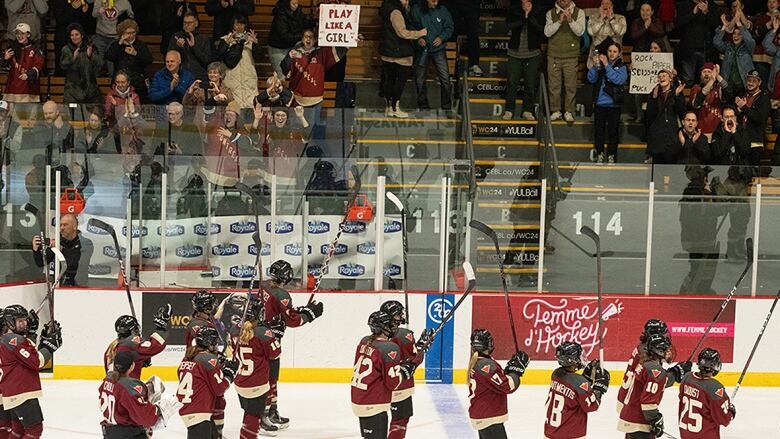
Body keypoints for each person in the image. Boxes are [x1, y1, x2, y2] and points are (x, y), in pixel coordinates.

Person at [262, 260, 323, 428]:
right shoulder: (281, 294)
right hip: (270, 340)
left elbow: (281, 312)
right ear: (286, 276)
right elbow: (293, 321)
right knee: (270, 378)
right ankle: (264, 415)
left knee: (271, 378)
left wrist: (302, 310)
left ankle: (272, 411)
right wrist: (309, 315)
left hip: (263, 336)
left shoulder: (264, 285)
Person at [351, 310, 416, 439]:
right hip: (374, 404)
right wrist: (405, 370)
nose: (393, 327)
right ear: (383, 328)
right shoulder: (389, 348)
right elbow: (393, 383)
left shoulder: (364, 341)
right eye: (390, 325)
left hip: (359, 399)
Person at [0, 305, 62, 439]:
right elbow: (36, 362)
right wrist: (50, 347)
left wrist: (44, 341)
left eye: (24, 320)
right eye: (19, 321)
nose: (24, 324)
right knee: (34, 430)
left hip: (11, 393)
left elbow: (28, 356)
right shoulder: (13, 340)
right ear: (10, 322)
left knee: (17, 430)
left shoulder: (9, 339)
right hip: (22, 393)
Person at [617, 333, 691, 438]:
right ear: (659, 351)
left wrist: (675, 373)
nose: (669, 352)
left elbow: (657, 381)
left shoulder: (645, 363)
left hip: (631, 418)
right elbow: (648, 402)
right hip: (639, 421)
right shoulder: (655, 369)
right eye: (666, 349)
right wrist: (654, 419)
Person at [281, 28, 348, 141]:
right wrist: (289, 57)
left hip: (315, 101)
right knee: (295, 130)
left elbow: (337, 52)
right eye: (306, 36)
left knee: (312, 131)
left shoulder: (321, 54)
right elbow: (285, 71)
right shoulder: (294, 52)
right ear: (302, 39)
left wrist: (349, 42)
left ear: (315, 39)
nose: (308, 39)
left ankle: (311, 153)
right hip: (297, 100)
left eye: (311, 37)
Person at [378, 301, 432, 439]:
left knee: (380, 424)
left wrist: (419, 345)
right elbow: (414, 360)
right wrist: (422, 347)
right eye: (398, 314)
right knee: (400, 420)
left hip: (382, 385)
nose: (401, 316)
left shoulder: (377, 333)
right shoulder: (404, 334)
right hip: (400, 385)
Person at [99, 350, 179, 438]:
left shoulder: (107, 381)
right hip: (127, 435)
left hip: (109, 433)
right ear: (132, 366)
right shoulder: (128, 388)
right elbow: (146, 418)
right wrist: (159, 409)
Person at [176, 326, 239, 438]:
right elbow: (219, 389)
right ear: (210, 344)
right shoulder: (208, 359)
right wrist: (229, 373)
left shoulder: (187, 358)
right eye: (215, 343)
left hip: (190, 409)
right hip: (199, 412)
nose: (216, 346)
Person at [232, 296, 281, 437]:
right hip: (257, 385)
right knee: (253, 418)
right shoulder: (263, 333)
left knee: (248, 414)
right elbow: (275, 354)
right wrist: (275, 335)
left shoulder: (234, 330)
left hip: (240, 383)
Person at [467, 329, 529, 438]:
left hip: (483, 416)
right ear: (489, 344)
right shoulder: (485, 365)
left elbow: (496, 382)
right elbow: (507, 386)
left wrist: (509, 370)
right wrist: (516, 371)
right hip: (488, 418)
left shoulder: (480, 361)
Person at [544, 341, 609, 438]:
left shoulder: (556, 374)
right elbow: (592, 406)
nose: (581, 358)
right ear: (572, 360)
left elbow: (574, 386)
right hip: (570, 435)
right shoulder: (580, 383)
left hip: (550, 434)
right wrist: (599, 388)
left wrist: (586, 378)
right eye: (579, 356)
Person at [379, 0, 427, 118]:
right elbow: (402, 33)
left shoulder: (386, 8)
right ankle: (395, 107)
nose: (407, 1)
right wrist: (420, 33)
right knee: (400, 81)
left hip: (387, 51)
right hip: (399, 52)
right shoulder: (396, 12)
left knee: (389, 80)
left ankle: (389, 108)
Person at [678, 348, 736, 438]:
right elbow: (724, 420)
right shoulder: (715, 388)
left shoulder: (687, 377)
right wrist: (731, 413)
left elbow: (681, 398)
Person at [502, 0, 544, 121]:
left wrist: (529, 15)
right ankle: (509, 110)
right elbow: (508, 25)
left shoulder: (538, 9)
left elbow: (540, 28)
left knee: (530, 83)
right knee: (511, 82)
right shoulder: (514, 8)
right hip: (514, 52)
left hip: (533, 53)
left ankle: (527, 110)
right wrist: (524, 17)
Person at [545, 0, 586, 122]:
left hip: (571, 55)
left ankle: (569, 111)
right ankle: (555, 111)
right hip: (554, 55)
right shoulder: (550, 13)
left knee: (570, 85)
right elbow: (547, 32)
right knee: (554, 85)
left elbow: (580, 31)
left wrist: (570, 20)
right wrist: (559, 21)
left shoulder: (579, 12)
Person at [103, 305, 171, 380]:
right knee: (155, 383)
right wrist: (161, 325)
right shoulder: (131, 344)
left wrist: (139, 361)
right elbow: (156, 345)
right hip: (127, 388)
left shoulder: (112, 346)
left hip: (110, 388)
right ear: (133, 330)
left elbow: (122, 365)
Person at [616, 319, 668, 413]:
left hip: (627, 393)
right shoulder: (646, 353)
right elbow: (654, 379)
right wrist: (675, 372)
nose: (664, 338)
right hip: (633, 399)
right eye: (662, 334)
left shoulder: (644, 348)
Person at [587, 41, 628, 163]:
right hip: (600, 104)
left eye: (615, 51)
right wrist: (595, 66)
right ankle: (599, 153)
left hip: (614, 104)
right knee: (598, 131)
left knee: (613, 132)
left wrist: (606, 65)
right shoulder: (600, 64)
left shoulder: (622, 66)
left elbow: (618, 80)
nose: (611, 53)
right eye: (610, 51)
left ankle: (612, 155)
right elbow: (591, 79)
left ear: (619, 53)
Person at [411, 0, 454, 111]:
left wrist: (441, 38)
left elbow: (449, 27)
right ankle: (423, 105)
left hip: (438, 49)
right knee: (419, 79)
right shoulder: (416, 9)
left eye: (437, 0)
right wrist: (418, 38)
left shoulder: (442, 10)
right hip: (422, 49)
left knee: (445, 78)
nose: (435, 3)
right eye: (433, 1)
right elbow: (411, 27)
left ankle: (446, 106)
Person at [31, 213, 93, 287]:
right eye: (60, 225)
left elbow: (76, 265)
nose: (62, 228)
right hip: (59, 285)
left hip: (79, 285)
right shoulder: (59, 242)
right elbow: (41, 263)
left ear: (75, 227)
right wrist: (36, 250)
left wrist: (60, 251)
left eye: (65, 225)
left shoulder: (85, 243)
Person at [215, 15, 262, 110]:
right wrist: (227, 43)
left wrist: (256, 44)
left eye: (242, 24)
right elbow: (219, 56)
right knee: (232, 110)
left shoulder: (251, 40)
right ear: (232, 25)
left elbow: (259, 57)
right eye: (237, 24)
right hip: (231, 80)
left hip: (248, 81)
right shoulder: (225, 39)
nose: (239, 27)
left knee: (250, 112)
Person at [105, 19, 153, 101]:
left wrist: (136, 54)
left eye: (133, 32)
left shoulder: (141, 45)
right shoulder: (116, 45)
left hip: (137, 84)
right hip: (119, 82)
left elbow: (149, 60)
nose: (131, 35)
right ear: (122, 33)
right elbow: (109, 57)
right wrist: (119, 44)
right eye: (128, 33)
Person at [645, 69, 686, 163]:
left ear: (670, 78)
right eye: (659, 76)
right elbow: (650, 115)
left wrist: (677, 96)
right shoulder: (654, 94)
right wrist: (654, 99)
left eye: (664, 75)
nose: (661, 78)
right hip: (657, 137)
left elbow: (681, 111)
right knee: (657, 172)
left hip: (672, 136)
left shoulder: (676, 92)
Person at [675, 0, 720, 86]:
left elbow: (717, 25)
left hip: (706, 50)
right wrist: (693, 13)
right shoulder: (684, 4)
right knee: (688, 80)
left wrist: (706, 12)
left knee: (706, 80)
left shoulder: (711, 5)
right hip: (688, 50)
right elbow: (679, 24)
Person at [267, 0, 315, 77]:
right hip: (278, 48)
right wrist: (302, 36)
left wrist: (314, 21)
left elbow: (304, 22)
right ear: (287, 3)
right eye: (293, 3)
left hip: (291, 46)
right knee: (282, 76)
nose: (296, 5)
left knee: (294, 75)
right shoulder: (280, 14)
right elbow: (284, 36)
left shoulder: (298, 11)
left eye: (297, 3)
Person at [734, 69, 770, 166]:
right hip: (741, 139)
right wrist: (738, 110)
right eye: (749, 80)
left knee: (753, 173)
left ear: (760, 82)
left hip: (755, 142)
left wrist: (744, 107)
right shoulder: (742, 94)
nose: (750, 83)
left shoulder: (764, 97)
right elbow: (736, 113)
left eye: (754, 81)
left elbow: (759, 118)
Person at [61, 23, 104, 105]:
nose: (74, 37)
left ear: (82, 35)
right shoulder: (66, 49)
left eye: (77, 34)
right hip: (72, 91)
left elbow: (100, 63)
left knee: (91, 116)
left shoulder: (91, 47)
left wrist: (90, 56)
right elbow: (63, 65)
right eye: (72, 35)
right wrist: (72, 58)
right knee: (73, 116)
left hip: (90, 90)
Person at [1, 23, 44, 103]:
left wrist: (28, 74)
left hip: (30, 89)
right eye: (17, 33)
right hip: (12, 89)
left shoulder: (35, 49)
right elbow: (5, 67)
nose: (19, 36)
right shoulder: (11, 48)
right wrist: (5, 59)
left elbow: (39, 65)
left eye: (22, 33)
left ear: (28, 34)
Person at [713, 18, 756, 97]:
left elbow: (750, 40)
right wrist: (724, 27)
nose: (736, 36)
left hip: (743, 84)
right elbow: (716, 42)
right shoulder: (728, 47)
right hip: (728, 85)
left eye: (739, 34)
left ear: (743, 36)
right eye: (734, 33)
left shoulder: (748, 48)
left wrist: (739, 24)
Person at [50, 0, 95, 76]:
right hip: (63, 40)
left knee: (81, 69)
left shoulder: (82, 1)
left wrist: (85, 12)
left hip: (79, 41)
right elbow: (60, 19)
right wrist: (72, 8)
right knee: (62, 70)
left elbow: (87, 25)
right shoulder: (58, 2)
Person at [91, 0, 135, 76]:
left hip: (115, 38)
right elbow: (93, 14)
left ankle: (113, 85)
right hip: (100, 36)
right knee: (97, 64)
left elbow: (131, 18)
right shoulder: (99, 1)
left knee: (112, 67)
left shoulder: (125, 2)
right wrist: (99, 11)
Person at [168, 11, 212, 83]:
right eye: (184, 23)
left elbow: (206, 60)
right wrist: (179, 48)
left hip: (198, 77)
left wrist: (193, 47)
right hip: (181, 76)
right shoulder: (176, 37)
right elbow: (170, 58)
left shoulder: (204, 39)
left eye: (189, 23)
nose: (186, 25)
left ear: (196, 23)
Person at [689, 63, 730, 139]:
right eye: (704, 72)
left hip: (718, 132)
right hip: (700, 132)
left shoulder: (718, 88)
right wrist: (712, 80)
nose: (707, 74)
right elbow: (696, 103)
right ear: (700, 75)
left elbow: (729, 92)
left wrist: (717, 75)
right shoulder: (696, 88)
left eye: (709, 72)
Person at [443, 0, 481, 76]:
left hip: (471, 4)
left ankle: (474, 64)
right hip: (452, 3)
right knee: (451, 31)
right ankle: (448, 68)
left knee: (473, 32)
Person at [586, 0, 626, 68]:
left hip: (614, 55)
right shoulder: (593, 18)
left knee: (613, 75)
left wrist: (611, 19)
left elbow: (620, 32)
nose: (605, 5)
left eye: (607, 3)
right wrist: (601, 19)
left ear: (612, 6)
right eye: (603, 3)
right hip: (597, 55)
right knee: (597, 76)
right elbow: (591, 32)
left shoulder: (620, 18)